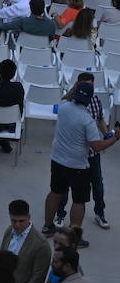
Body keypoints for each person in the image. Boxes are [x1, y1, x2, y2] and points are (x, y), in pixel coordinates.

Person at [44, 80, 120, 234]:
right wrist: (116, 137)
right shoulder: (88, 120)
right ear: (90, 98)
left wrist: (74, 88)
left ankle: (48, 226)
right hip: (77, 166)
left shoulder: (63, 107)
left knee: (55, 193)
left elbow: (66, 97)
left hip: (58, 160)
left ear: (75, 93)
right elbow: (97, 147)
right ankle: (73, 238)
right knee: (79, 201)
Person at [0, 199, 51, 283]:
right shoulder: (9, 231)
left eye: (21, 221)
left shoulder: (41, 244)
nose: (17, 225)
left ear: (29, 217)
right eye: (13, 221)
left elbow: (38, 277)